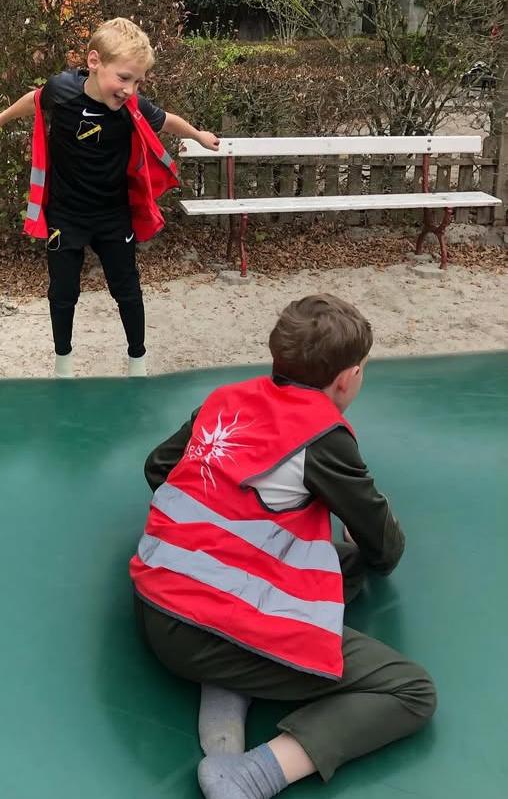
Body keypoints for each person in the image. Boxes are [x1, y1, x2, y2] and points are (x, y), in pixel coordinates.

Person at [129, 294, 437, 799]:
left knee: (330, 562)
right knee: (411, 690)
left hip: (155, 602)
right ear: (346, 379)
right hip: (207, 632)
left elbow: (158, 468)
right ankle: (250, 775)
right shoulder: (322, 437)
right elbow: (385, 549)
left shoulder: (224, 399)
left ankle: (232, 684)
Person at [0, 17, 219, 378]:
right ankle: (63, 365)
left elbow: (167, 120)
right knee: (62, 292)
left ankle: (137, 362)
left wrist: (199, 134)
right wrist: (1, 116)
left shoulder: (132, 109)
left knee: (127, 289)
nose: (129, 90)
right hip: (66, 215)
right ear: (94, 62)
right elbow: (36, 99)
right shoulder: (63, 90)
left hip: (113, 215)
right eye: (124, 78)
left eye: (137, 82)